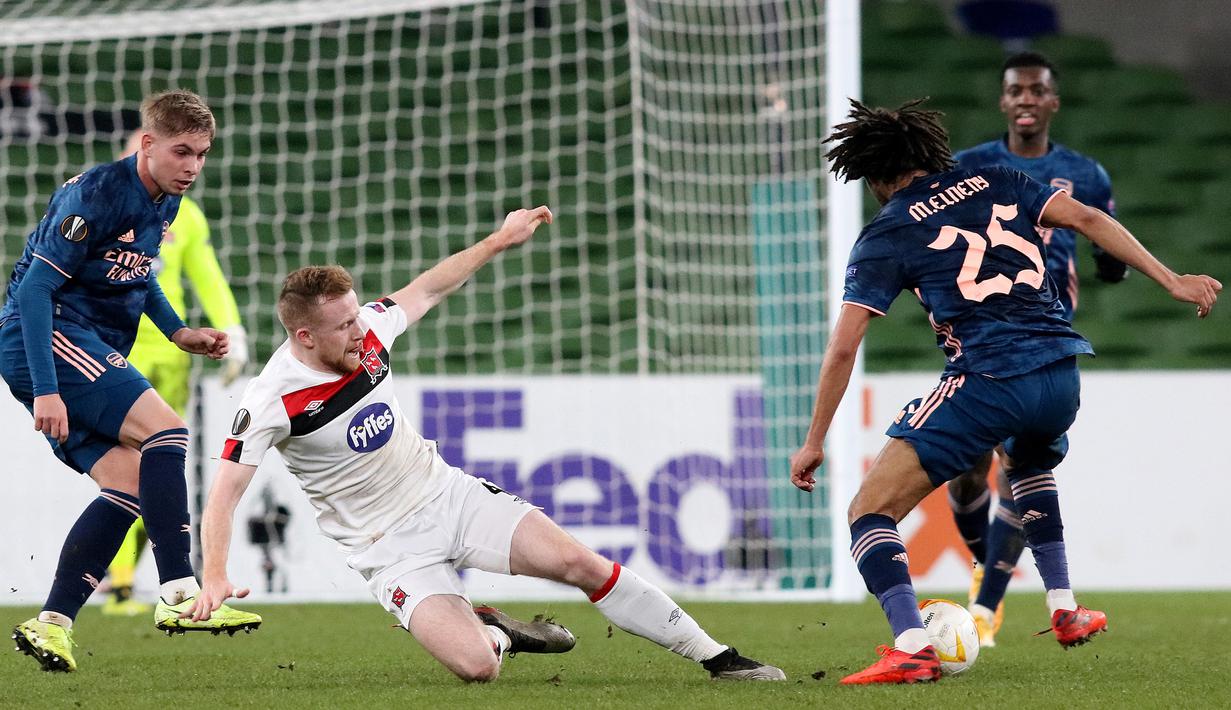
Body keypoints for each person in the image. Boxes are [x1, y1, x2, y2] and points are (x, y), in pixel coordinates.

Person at [186, 207, 786, 683]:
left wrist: (499, 241)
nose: (360, 328)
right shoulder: (270, 401)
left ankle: (719, 657)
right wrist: (214, 574)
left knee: (580, 563)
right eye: (344, 325)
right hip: (387, 548)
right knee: (478, 668)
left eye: (357, 315)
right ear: (303, 335)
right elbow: (225, 494)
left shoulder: (365, 333)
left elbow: (428, 288)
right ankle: (497, 632)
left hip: (447, 495)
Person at [789, 99, 1219, 685]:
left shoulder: (888, 230)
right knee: (1028, 463)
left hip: (991, 378)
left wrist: (814, 441)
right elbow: (1090, 220)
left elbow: (843, 348)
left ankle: (913, 645)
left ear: (875, 174)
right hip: (1062, 374)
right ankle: (1065, 607)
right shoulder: (1000, 179)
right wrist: (1173, 280)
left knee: (870, 510)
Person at [2, 89, 261, 673]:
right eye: (181, 152)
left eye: (202, 153)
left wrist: (176, 333)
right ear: (147, 144)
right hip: (46, 335)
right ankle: (178, 591)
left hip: (77, 340)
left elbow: (138, 275)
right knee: (168, 433)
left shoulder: (165, 201)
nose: (193, 166)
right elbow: (37, 292)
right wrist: (46, 388)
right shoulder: (96, 194)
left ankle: (52, 624)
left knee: (130, 487)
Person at [946, 51, 1128, 647]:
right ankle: (985, 569)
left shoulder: (1086, 174)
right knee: (969, 470)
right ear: (1003, 102)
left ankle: (985, 608)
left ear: (1053, 101)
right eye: (1015, 91)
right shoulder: (971, 166)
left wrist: (1110, 266)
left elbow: (1106, 253)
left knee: (1021, 463)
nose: (1026, 99)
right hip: (979, 331)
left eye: (1037, 90)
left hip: (1043, 341)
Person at [102, 131, 250, 617]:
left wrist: (231, 330)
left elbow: (206, 274)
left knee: (163, 466)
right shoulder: (102, 205)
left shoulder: (183, 215)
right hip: (116, 349)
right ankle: (120, 584)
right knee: (129, 464)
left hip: (173, 355)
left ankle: (143, 581)